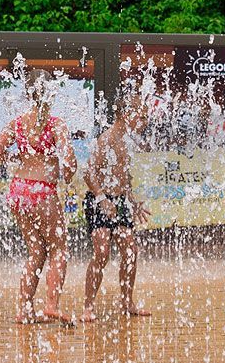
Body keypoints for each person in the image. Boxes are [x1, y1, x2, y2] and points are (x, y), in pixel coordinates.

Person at [0, 69, 77, 324]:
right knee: (58, 248)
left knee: (36, 251)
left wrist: (17, 157)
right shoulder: (56, 124)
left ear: (28, 94)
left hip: (19, 191)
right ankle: (51, 305)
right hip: (43, 192)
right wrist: (68, 172)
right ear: (51, 93)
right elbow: (68, 160)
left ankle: (25, 309)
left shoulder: (17, 123)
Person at [80, 95, 152, 323]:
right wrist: (103, 199)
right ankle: (88, 306)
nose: (145, 122)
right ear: (126, 114)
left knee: (131, 252)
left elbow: (123, 176)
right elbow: (88, 172)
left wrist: (132, 201)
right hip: (99, 200)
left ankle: (127, 302)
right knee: (102, 253)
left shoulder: (127, 141)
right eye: (141, 116)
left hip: (120, 201)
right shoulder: (107, 139)